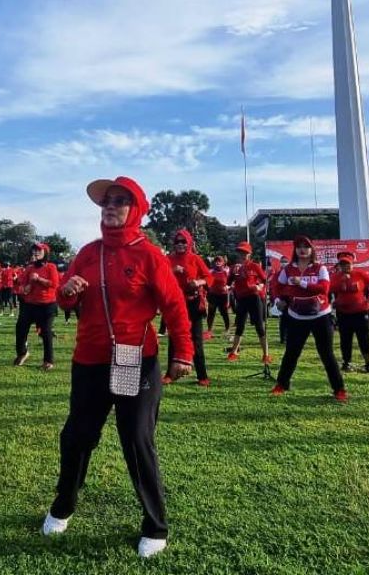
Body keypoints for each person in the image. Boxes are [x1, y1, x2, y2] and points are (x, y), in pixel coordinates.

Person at [42, 176, 192, 559]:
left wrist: (183, 353)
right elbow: (65, 302)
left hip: (133, 359)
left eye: (120, 201)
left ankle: (155, 525)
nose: (110, 207)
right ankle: (63, 505)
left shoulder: (149, 254)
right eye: (107, 201)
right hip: (89, 360)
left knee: (136, 440)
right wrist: (67, 293)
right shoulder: (88, 253)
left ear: (136, 209)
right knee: (77, 436)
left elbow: (174, 306)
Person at [272, 236, 346, 400]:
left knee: (327, 354)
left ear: (312, 250)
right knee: (291, 353)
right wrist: (278, 300)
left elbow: (324, 289)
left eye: (306, 246)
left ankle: (339, 389)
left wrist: (302, 283)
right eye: (299, 246)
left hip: (321, 316)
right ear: (295, 250)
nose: (302, 249)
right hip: (296, 317)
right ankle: (281, 384)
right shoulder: (288, 269)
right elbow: (277, 287)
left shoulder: (320, 268)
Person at [165, 229, 210, 386]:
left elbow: (208, 277)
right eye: (177, 242)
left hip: (193, 303)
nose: (180, 245)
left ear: (189, 243)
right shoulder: (168, 258)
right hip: (175, 304)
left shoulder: (195, 259)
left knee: (196, 340)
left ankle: (202, 376)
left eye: (183, 241)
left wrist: (198, 282)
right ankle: (170, 374)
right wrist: (172, 270)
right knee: (173, 338)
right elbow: (159, 275)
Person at [14, 242, 60, 370]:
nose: (35, 253)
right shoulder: (29, 268)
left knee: (46, 332)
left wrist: (39, 279)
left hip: (47, 305)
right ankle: (22, 353)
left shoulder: (51, 267)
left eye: (39, 251)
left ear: (45, 253)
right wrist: (24, 288)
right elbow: (21, 284)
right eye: (34, 251)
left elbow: (54, 284)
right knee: (20, 329)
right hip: (30, 305)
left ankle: (48, 361)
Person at [331, 251, 369, 373]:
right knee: (345, 339)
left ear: (352, 264)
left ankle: (368, 363)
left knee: (364, 338)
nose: (345, 266)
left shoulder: (360, 274)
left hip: (361, 311)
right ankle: (346, 363)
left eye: (347, 264)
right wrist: (342, 282)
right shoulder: (335, 277)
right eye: (342, 264)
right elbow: (329, 289)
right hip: (343, 313)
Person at [225, 241, 270, 364]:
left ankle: (266, 354)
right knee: (240, 326)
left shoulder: (255, 266)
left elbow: (265, 280)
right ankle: (234, 352)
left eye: (245, 253)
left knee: (259, 326)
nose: (242, 255)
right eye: (240, 252)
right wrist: (228, 286)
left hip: (254, 298)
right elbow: (228, 283)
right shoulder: (234, 268)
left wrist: (259, 286)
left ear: (249, 254)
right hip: (241, 300)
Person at [204, 256, 231, 340]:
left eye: (219, 261)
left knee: (224, 313)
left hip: (223, 295)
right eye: (216, 261)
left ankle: (227, 329)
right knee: (211, 313)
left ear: (223, 263)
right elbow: (206, 282)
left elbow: (232, 281)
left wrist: (227, 287)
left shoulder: (227, 271)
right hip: (213, 295)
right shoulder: (210, 271)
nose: (217, 262)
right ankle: (209, 330)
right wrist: (208, 290)